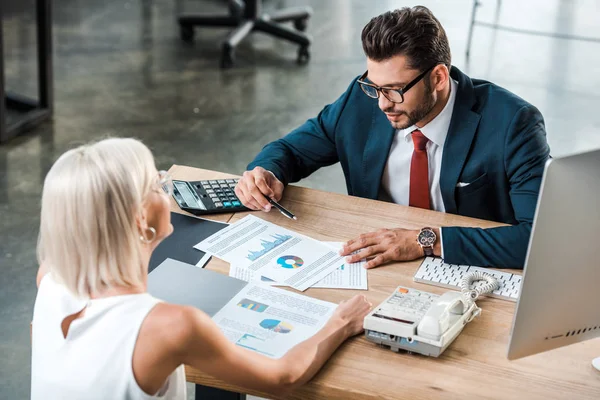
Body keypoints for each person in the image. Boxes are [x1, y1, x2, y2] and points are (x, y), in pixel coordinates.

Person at [31, 138, 371, 400]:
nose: (167, 191)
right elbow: (283, 378)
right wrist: (340, 323)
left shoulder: (50, 276)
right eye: (157, 185)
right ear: (140, 220)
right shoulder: (171, 325)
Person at [235, 6, 550, 269]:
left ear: (439, 77)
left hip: (468, 267)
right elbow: (291, 150)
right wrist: (267, 172)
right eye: (374, 86)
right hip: (378, 262)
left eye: (395, 90)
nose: (383, 103)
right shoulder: (364, 99)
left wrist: (423, 240)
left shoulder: (514, 123)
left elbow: (540, 239)